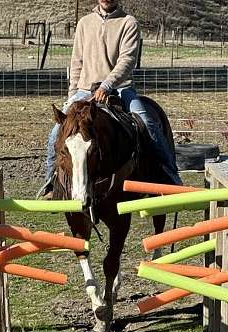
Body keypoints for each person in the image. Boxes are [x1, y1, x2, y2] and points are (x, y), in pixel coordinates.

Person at [39, 0, 180, 198]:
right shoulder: (84, 23)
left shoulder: (128, 22)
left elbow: (128, 59)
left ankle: (169, 175)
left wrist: (107, 85)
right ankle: (51, 182)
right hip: (85, 89)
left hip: (121, 88)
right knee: (56, 132)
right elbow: (77, 61)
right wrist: (72, 96)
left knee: (147, 122)